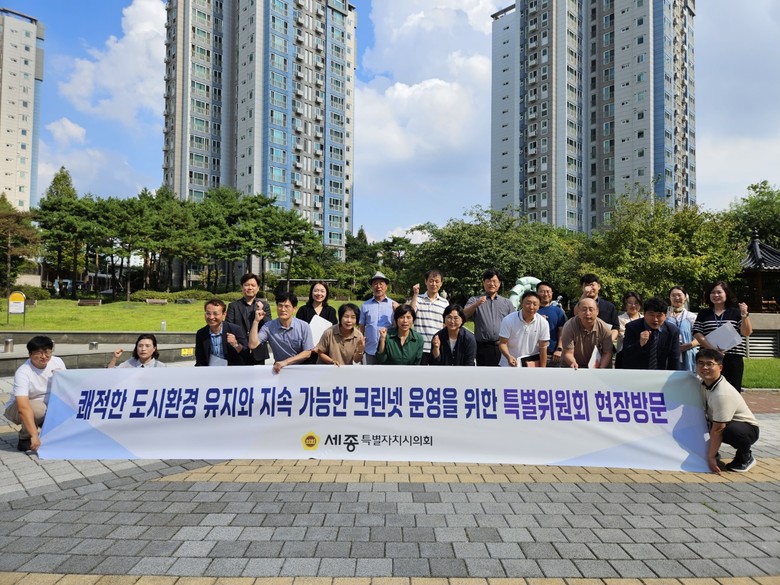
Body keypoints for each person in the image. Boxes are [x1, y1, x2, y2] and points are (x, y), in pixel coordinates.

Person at [696, 348, 759, 474]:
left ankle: (745, 456)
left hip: (746, 429)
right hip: (720, 423)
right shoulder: (702, 383)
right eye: (701, 363)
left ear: (720, 367)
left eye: (709, 364)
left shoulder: (722, 393)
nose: (705, 367)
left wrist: (711, 457)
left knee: (731, 431)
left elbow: (718, 428)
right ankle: (712, 451)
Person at [3, 336, 67, 452]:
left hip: (49, 405)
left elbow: (66, 387)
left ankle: (46, 426)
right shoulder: (23, 372)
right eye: (39, 353)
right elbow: (23, 407)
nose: (44, 356)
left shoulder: (57, 362)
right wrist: (34, 435)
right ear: (30, 354)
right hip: (20, 408)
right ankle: (25, 438)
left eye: (47, 352)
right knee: (38, 409)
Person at [693, 281, 753, 392]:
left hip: (733, 357)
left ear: (726, 294)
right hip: (709, 357)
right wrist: (713, 349)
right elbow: (697, 332)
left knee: (732, 390)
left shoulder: (736, 312)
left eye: (719, 292)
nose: (715, 295)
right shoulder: (704, 313)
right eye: (712, 292)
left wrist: (745, 315)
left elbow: (746, 333)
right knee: (709, 389)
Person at [249, 291, 314, 373]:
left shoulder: (304, 326)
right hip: (279, 369)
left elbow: (307, 352)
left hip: (300, 369)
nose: (283, 309)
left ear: (294, 309)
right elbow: (252, 345)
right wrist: (256, 321)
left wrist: (286, 362)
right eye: (280, 305)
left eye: (287, 306)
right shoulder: (268, 327)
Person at [464, 269, 515, 366]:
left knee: (503, 373)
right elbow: (463, 316)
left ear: (499, 283)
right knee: (485, 374)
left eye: (494, 281)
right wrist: (476, 304)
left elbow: (514, 322)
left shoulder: (507, 303)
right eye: (488, 281)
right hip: (483, 347)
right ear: (483, 283)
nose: (491, 284)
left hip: (503, 346)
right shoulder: (474, 300)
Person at [618, 297, 681, 371]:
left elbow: (674, 359)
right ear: (644, 314)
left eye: (659, 315)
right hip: (635, 372)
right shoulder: (632, 327)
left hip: (660, 373)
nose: (655, 319)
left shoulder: (672, 331)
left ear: (665, 316)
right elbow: (625, 355)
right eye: (651, 315)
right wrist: (640, 344)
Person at [226, 273, 272, 365]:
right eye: (246, 285)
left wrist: (261, 311)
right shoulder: (233, 306)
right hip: (238, 350)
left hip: (258, 352)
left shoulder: (264, 306)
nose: (250, 288)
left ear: (258, 288)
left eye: (253, 285)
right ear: (241, 287)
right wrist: (236, 344)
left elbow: (268, 326)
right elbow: (228, 327)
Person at [498, 291, 550, 367]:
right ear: (521, 303)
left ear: (539, 306)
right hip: (508, 364)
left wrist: (542, 369)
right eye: (528, 303)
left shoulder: (543, 323)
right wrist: (508, 356)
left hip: (530, 365)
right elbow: (503, 343)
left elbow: (543, 348)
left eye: (535, 304)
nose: (531, 307)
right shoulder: (508, 320)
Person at [560, 297, 613, 369]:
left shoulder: (604, 328)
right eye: (584, 309)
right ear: (578, 312)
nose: (587, 313)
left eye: (591, 310)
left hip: (596, 366)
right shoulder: (569, 326)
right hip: (573, 366)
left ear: (597, 311)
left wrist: (600, 369)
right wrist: (573, 363)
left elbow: (607, 353)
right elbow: (568, 353)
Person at [410, 269, 449, 364]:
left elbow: (446, 325)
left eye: (437, 281)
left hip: (437, 346)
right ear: (426, 282)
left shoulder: (445, 303)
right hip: (420, 347)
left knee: (436, 373)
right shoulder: (418, 299)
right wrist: (415, 294)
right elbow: (410, 314)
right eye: (431, 281)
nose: (434, 284)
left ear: (441, 283)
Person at [359, 271, 398, 364]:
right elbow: (361, 327)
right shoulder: (365, 305)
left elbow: (398, 327)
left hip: (388, 348)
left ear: (386, 286)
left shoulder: (394, 305)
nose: (378, 286)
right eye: (375, 284)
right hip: (370, 349)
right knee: (369, 373)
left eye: (381, 283)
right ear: (372, 287)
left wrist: (397, 311)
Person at [195, 299, 248, 366]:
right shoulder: (201, 333)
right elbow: (199, 358)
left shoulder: (235, 330)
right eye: (208, 313)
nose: (211, 317)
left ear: (224, 314)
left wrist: (235, 345)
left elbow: (245, 353)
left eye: (215, 314)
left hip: (231, 369)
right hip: (210, 369)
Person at [296, 281, 338, 364]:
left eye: (322, 291)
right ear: (311, 292)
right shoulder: (303, 310)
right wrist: (310, 347)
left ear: (326, 293)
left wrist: (320, 347)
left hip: (325, 353)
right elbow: (298, 331)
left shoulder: (331, 311)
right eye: (316, 291)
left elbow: (333, 331)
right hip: (306, 352)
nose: (319, 294)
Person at [579, 274, 620, 343]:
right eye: (586, 285)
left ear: (599, 286)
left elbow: (615, 328)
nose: (590, 288)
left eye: (592, 285)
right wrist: (584, 295)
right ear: (582, 288)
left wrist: (607, 342)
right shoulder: (577, 307)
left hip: (604, 346)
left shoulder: (609, 307)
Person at [667, 285, 699, 373]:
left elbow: (700, 338)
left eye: (679, 295)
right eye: (673, 295)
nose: (676, 298)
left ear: (685, 297)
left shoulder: (691, 317)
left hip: (688, 354)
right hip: (670, 355)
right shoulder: (665, 317)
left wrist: (688, 345)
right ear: (669, 298)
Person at [536, 281, 567, 366]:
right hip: (534, 354)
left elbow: (561, 332)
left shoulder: (558, 311)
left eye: (548, 291)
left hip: (553, 355)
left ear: (552, 293)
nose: (545, 294)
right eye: (542, 291)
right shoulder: (532, 310)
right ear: (537, 293)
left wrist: (559, 349)